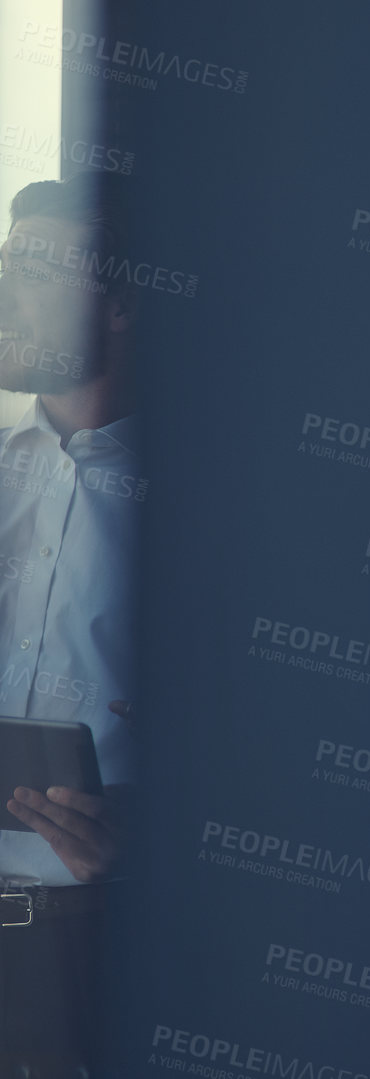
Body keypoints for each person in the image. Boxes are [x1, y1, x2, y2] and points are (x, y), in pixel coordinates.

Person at [0, 173, 139, 1072]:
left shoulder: (211, 501)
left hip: (110, 945)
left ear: (119, 303)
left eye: (38, 269)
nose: (6, 293)